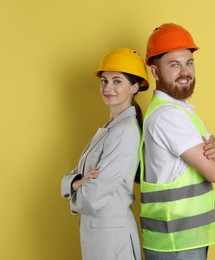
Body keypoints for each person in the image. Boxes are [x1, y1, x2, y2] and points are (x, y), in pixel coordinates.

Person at [139, 23, 215, 259]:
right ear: (155, 71)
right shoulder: (168, 117)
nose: (185, 71)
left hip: (184, 240)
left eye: (189, 62)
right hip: (175, 244)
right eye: (174, 65)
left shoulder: (181, 112)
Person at [61, 47, 149, 260]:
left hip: (111, 237)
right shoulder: (111, 128)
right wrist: (75, 183)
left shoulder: (125, 131)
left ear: (134, 87)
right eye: (104, 81)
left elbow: (92, 196)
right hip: (101, 234)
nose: (108, 87)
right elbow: (78, 178)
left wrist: (73, 189)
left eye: (117, 81)